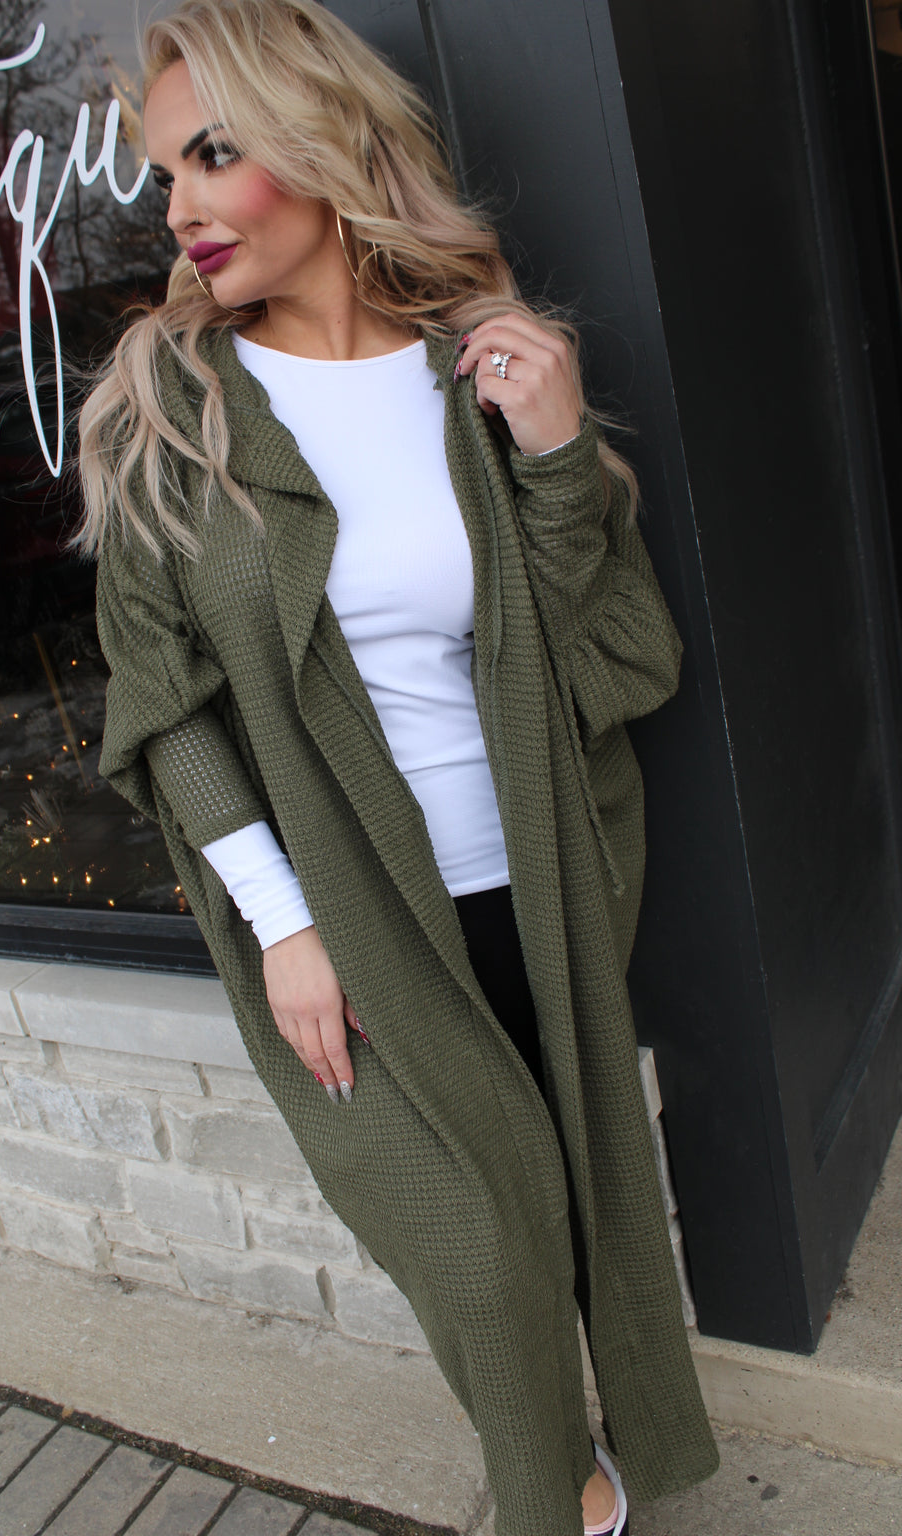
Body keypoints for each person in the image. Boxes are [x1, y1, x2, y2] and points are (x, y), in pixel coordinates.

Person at [76, 2, 719, 1531]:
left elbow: (620, 661)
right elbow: (164, 706)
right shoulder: (171, 408)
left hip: (538, 883)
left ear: (325, 140)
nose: (181, 210)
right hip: (346, 923)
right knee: (476, 1257)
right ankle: (556, 1497)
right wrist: (283, 922)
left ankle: (596, 1465)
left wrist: (555, 456)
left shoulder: (473, 376)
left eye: (213, 155)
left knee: (577, 1218)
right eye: (165, 176)